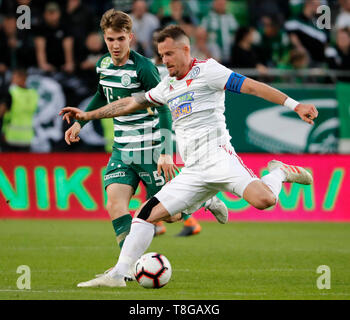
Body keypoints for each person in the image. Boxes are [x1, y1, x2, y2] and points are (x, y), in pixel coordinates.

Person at [60, 25, 318, 288]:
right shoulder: (167, 85)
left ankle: (278, 171)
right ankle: (118, 274)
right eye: (161, 55)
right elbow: (130, 103)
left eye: (169, 54)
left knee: (265, 200)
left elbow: (252, 87)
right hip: (193, 170)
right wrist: (87, 116)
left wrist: (295, 105)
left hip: (220, 159)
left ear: (186, 49)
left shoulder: (209, 70)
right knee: (144, 215)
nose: (165, 61)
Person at [62, 11, 228, 280]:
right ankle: (125, 268)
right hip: (121, 149)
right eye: (109, 39)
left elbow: (163, 107)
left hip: (149, 148)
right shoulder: (103, 64)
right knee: (115, 205)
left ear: (131, 37)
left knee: (170, 217)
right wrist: (81, 121)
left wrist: (165, 151)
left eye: (120, 39)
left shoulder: (144, 67)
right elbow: (102, 94)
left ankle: (205, 198)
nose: (115, 45)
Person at [1, 69, 39, 151]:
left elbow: (2, 112)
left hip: (10, 136)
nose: (12, 80)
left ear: (22, 78)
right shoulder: (33, 94)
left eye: (14, 78)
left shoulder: (11, 92)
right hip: (27, 137)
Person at [34, 2, 75, 73]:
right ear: (45, 15)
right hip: (47, 68)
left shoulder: (65, 28)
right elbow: (40, 50)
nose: (52, 16)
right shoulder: (40, 29)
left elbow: (68, 47)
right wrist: (43, 64)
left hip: (63, 67)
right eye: (49, 13)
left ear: (59, 14)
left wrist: (69, 64)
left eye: (54, 13)